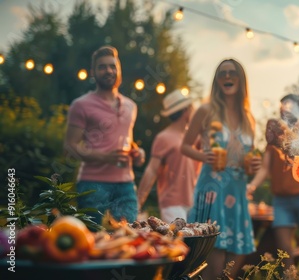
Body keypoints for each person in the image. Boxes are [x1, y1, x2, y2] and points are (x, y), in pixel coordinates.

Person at [181, 58, 261, 279]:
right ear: (216, 80)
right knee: (213, 267)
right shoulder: (206, 110)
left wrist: (254, 164)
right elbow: (185, 146)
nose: (227, 77)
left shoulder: (249, 119)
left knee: (233, 264)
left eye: (232, 73)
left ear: (241, 80)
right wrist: (203, 155)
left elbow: (249, 156)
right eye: (222, 73)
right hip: (212, 192)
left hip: (237, 193)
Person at [248, 94, 299, 280]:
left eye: (290, 107)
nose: (285, 110)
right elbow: (265, 168)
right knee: (285, 250)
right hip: (281, 201)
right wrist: (251, 186)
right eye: (283, 106)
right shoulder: (275, 137)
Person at [64, 46, 145, 226]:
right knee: (93, 244)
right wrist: (105, 157)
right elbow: (70, 146)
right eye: (102, 67)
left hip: (126, 185)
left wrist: (137, 152)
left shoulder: (131, 106)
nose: (109, 70)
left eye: (112, 66)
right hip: (93, 185)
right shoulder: (81, 105)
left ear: (119, 70)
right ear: (93, 72)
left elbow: (126, 140)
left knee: (129, 240)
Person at [137, 89, 199, 223]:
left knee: (194, 243)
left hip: (192, 203)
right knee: (178, 243)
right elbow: (151, 170)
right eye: (192, 107)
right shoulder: (164, 138)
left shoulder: (192, 139)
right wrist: (138, 202)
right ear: (185, 111)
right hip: (172, 205)